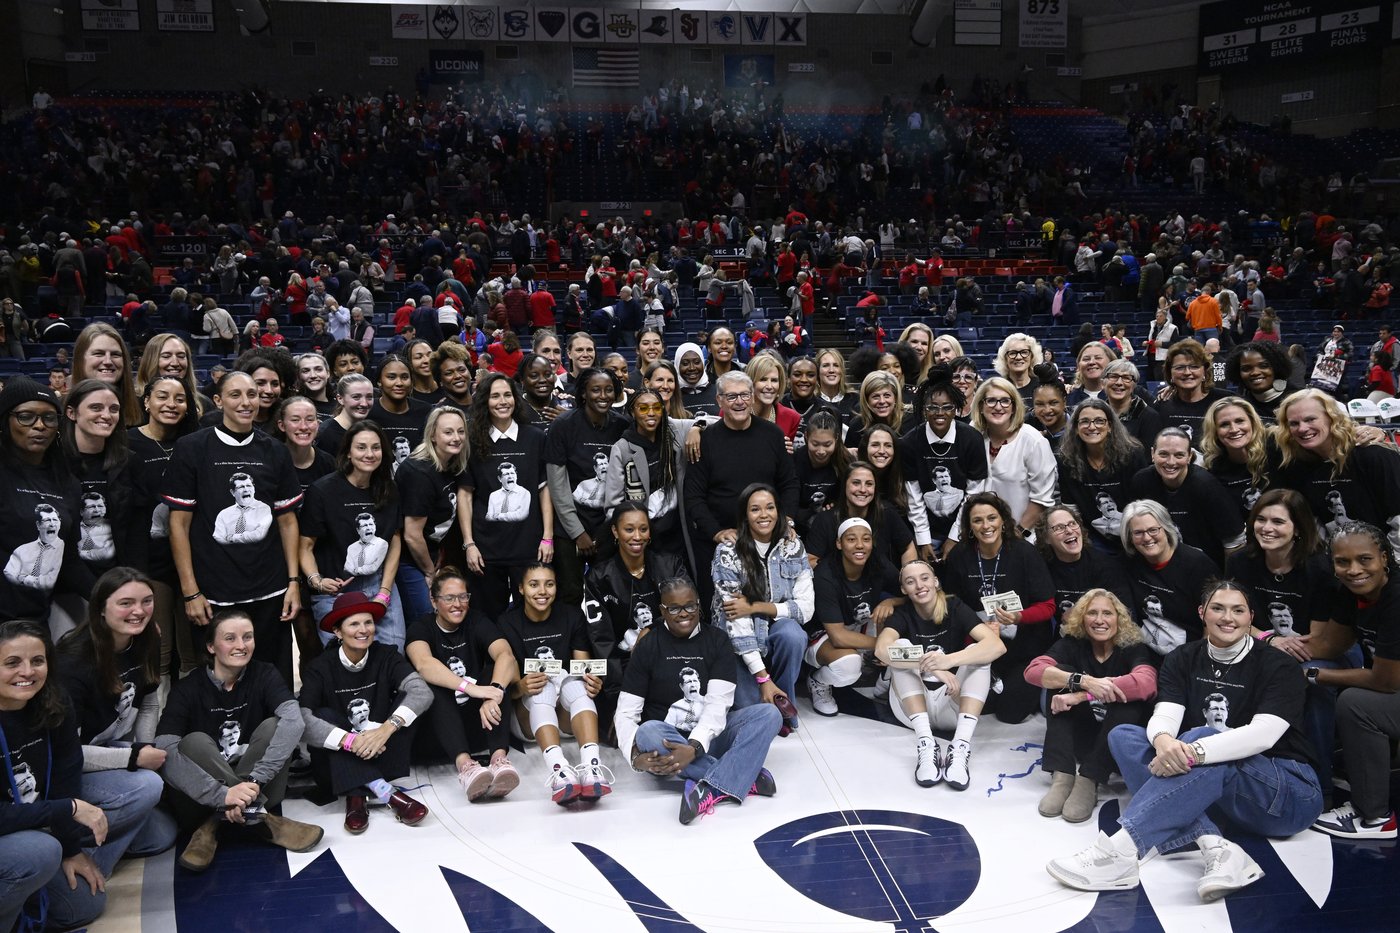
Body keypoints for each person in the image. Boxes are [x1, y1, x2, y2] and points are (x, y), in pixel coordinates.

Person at [1046, 581, 1321, 903]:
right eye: (1218, 608)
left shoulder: (1278, 665)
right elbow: (1165, 715)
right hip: (1215, 787)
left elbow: (1263, 735)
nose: (1227, 617)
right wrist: (1163, 741)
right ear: (1202, 613)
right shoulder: (1183, 657)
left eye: (1238, 610)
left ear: (1250, 617)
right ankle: (1215, 846)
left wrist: (1192, 752)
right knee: (1123, 737)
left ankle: (1121, 852)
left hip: (1287, 793)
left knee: (1202, 735)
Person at [0, 619, 167, 931]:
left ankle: (33, 884)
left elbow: (65, 777)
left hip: (36, 823)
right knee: (41, 851)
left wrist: (72, 850)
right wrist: (68, 810)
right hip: (11, 830)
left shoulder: (53, 702)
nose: (27, 672)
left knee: (84, 904)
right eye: (12, 663)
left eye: (37, 661)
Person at [164, 371, 303, 687]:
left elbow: (287, 521)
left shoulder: (275, 450)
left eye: (251, 394)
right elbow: (179, 524)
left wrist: (293, 582)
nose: (246, 402)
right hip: (214, 589)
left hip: (270, 588)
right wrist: (190, 590)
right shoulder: (192, 448)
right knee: (221, 682)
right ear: (218, 400)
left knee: (273, 679)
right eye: (235, 394)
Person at [155, 610, 322, 872]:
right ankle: (259, 817)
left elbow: (295, 721)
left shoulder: (265, 673)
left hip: (259, 787)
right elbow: (163, 749)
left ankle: (213, 824)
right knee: (194, 742)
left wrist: (253, 782)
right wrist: (222, 794)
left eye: (247, 637)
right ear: (211, 646)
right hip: (202, 797)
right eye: (230, 638)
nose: (241, 645)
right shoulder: (187, 688)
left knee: (275, 726)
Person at [616, 576, 782, 824]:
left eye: (690, 606)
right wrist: (635, 759)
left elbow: (718, 706)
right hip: (667, 742)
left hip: (709, 738)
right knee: (647, 731)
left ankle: (710, 787)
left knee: (769, 715)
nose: (684, 613)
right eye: (674, 608)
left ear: (699, 605)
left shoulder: (717, 640)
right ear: (662, 610)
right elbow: (626, 712)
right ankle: (742, 776)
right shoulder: (648, 645)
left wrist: (693, 748)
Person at [54, 567, 179, 859]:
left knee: (161, 835)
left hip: (107, 747)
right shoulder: (73, 661)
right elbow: (67, 753)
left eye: (146, 601)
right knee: (148, 786)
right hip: (67, 769)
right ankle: (80, 857)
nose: (139, 611)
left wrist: (145, 747)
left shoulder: (147, 637)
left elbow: (149, 703)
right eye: (126, 603)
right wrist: (134, 758)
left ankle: (99, 829)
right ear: (100, 608)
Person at [298, 592, 432, 833]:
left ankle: (357, 797)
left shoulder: (386, 655)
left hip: (381, 752)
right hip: (333, 764)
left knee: (408, 699)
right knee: (323, 714)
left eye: (368, 622)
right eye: (354, 624)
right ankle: (385, 792)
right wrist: (351, 741)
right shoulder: (320, 667)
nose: (363, 630)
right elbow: (302, 720)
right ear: (338, 632)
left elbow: (422, 692)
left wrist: (386, 729)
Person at [1024, 589, 1158, 822]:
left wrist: (1082, 695)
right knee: (1061, 674)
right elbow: (1033, 671)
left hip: (1115, 746)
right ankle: (1062, 775)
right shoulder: (1072, 644)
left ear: (1119, 619)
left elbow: (1147, 683)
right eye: (1092, 613)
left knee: (1128, 698)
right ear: (1082, 618)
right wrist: (1082, 681)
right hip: (1084, 739)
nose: (1099, 620)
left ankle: (1089, 778)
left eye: (1107, 613)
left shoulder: (1133, 647)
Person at [875, 559, 1004, 789]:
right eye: (910, 582)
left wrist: (949, 661)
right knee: (899, 647)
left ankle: (960, 746)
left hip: (951, 703)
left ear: (935, 582)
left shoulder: (954, 606)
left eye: (925, 578)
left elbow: (997, 646)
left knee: (980, 652)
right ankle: (926, 743)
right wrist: (934, 668)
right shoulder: (903, 614)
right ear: (903, 589)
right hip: (912, 709)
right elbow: (881, 650)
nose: (919, 585)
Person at [1307, 522, 1400, 838]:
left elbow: (1385, 682)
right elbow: (1328, 646)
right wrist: (1270, 645)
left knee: (1357, 705)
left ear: (1384, 558)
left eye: (1364, 559)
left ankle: (1375, 818)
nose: (1354, 570)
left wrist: (1315, 676)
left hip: (1391, 683)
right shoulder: (1352, 592)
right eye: (1342, 562)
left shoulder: (1396, 598)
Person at [498, 563, 612, 805]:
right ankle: (559, 771)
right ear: (521, 589)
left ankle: (591, 767)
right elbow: (508, 686)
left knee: (575, 683)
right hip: (527, 717)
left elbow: (582, 668)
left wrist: (592, 682)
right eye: (534, 584)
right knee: (543, 687)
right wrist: (522, 687)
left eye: (549, 584)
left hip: (566, 714)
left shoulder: (571, 615)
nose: (542, 591)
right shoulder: (507, 622)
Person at [684, 371, 798, 608]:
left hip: (768, 541)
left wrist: (786, 520)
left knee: (769, 609)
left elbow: (789, 483)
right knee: (722, 613)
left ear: (753, 397)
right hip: (719, 545)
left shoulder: (773, 434)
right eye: (731, 396)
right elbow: (693, 496)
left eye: (745, 395)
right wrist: (716, 532)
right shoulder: (705, 440)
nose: (739, 402)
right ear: (719, 401)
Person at [941, 492, 1056, 723]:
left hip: (1024, 647)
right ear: (969, 527)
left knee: (1010, 714)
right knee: (978, 707)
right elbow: (951, 605)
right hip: (980, 646)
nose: (986, 526)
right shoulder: (960, 555)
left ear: (1003, 520)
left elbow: (1048, 606)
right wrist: (977, 630)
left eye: (992, 518)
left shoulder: (1024, 552)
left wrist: (1018, 617)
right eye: (978, 520)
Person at [405, 569, 519, 800]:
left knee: (496, 673)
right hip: (439, 732)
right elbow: (424, 664)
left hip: (479, 723)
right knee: (431, 684)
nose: (457, 604)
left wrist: (494, 692)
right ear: (433, 601)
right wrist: (472, 688)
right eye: (449, 598)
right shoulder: (421, 627)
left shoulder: (477, 620)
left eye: (463, 597)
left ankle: (499, 760)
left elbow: (506, 655)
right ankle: (466, 767)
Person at [710, 483, 808, 732]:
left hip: (772, 631)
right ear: (745, 515)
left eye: (770, 507)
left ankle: (784, 702)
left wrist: (754, 607)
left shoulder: (793, 546)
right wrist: (762, 678)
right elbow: (736, 622)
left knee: (792, 634)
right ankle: (767, 694)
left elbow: (805, 609)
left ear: (779, 511)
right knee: (753, 715)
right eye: (755, 509)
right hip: (735, 641)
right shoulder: (727, 551)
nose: (764, 515)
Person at [299, 420, 405, 649]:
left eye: (376, 448)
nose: (369, 454)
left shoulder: (389, 489)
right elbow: (305, 546)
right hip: (335, 588)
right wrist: (317, 581)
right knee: (346, 656)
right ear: (348, 452)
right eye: (361, 447)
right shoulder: (323, 491)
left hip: (378, 583)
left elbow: (394, 540)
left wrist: (385, 591)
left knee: (393, 653)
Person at [582, 503, 690, 724]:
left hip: (671, 657)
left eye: (643, 529)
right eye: (629, 529)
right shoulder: (599, 577)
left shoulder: (670, 564)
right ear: (615, 531)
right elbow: (601, 640)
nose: (637, 536)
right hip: (624, 668)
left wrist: (651, 628)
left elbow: (688, 610)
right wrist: (618, 694)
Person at [0, 378, 93, 623]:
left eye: (49, 418)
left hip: (36, 620)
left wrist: (108, 597)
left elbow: (69, 561)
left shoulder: (67, 483)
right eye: (26, 417)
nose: (40, 425)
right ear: (5, 421)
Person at [462, 373, 554, 620]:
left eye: (507, 395)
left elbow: (544, 489)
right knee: (488, 617)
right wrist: (469, 544)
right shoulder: (472, 440)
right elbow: (465, 495)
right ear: (485, 401)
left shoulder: (535, 437)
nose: (502, 401)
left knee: (532, 616)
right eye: (495, 396)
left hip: (529, 545)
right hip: (486, 549)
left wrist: (547, 536)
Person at [1274, 388, 1400, 562]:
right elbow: (1316, 526)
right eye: (1294, 423)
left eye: (1310, 419)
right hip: (1339, 563)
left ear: (1332, 418)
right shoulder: (1297, 466)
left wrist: (1391, 564)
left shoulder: (1373, 455)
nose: (1302, 428)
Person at [546, 367, 630, 605]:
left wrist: (607, 530)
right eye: (595, 390)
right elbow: (557, 485)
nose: (603, 396)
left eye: (609, 390)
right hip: (569, 526)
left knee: (609, 593)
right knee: (570, 594)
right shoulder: (563, 425)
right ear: (583, 393)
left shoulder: (622, 425)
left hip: (608, 527)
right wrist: (578, 533)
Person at [805, 518, 903, 716]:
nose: (860, 545)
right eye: (851, 539)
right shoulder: (825, 574)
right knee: (849, 666)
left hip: (861, 624)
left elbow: (912, 593)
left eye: (866, 539)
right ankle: (818, 681)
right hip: (825, 635)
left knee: (903, 624)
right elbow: (838, 636)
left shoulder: (877, 562)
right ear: (839, 543)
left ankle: (887, 681)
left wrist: (891, 602)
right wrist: (882, 645)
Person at [603, 389, 700, 564]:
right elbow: (613, 502)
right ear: (633, 412)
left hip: (676, 530)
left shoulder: (673, 433)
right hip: (642, 534)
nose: (651, 413)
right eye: (643, 408)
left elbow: (715, 420)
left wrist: (696, 428)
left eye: (656, 407)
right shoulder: (623, 447)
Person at [1128, 427, 1246, 567]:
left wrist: (1226, 578)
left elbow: (1234, 540)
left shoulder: (1206, 485)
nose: (1171, 462)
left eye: (1179, 455)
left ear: (1190, 456)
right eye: (1163, 454)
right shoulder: (1142, 481)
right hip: (1161, 563)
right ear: (1153, 453)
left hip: (1206, 565)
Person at [902, 371, 988, 559]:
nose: (940, 413)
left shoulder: (972, 439)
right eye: (932, 407)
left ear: (956, 409)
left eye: (947, 407)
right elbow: (913, 496)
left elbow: (973, 494)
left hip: (965, 528)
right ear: (924, 409)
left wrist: (955, 536)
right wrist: (923, 538)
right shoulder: (910, 442)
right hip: (926, 530)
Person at [396, 406, 469, 621]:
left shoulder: (451, 462)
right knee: (426, 617)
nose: (456, 438)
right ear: (433, 436)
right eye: (448, 432)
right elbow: (412, 535)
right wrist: (430, 572)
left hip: (431, 553)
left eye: (461, 431)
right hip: (407, 559)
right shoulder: (419, 472)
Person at [1120, 500, 1220, 655]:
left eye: (1153, 530)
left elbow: (1215, 619)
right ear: (1130, 537)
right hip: (1146, 651)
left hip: (1190, 653)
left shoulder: (1197, 564)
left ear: (1166, 528)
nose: (1147, 538)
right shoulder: (1129, 562)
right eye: (1138, 533)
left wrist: (1200, 659)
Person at [961, 377, 1055, 542]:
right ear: (981, 406)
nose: (998, 407)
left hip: (1023, 536)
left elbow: (1041, 500)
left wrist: (1017, 534)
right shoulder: (973, 434)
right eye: (991, 400)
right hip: (981, 535)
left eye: (1005, 401)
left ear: (1014, 406)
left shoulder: (1033, 440)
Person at [1035, 504, 1135, 628]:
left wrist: (1078, 615)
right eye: (1059, 528)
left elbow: (1125, 614)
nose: (1069, 530)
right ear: (1046, 538)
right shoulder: (1042, 568)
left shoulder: (1106, 565)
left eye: (1072, 524)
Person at [1154, 340, 1232, 447]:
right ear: (1170, 373)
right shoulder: (1162, 405)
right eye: (1180, 367)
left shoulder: (1225, 401)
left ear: (1204, 371)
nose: (1187, 372)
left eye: (1194, 367)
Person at [315, 373, 375, 457]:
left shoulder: (371, 428)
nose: (364, 403)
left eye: (369, 397)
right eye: (356, 397)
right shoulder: (326, 433)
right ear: (340, 399)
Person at [993, 333, 1044, 404]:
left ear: (1032, 357)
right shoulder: (998, 388)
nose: (1018, 357)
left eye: (1024, 352)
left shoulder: (1043, 386)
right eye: (1012, 353)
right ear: (1005, 358)